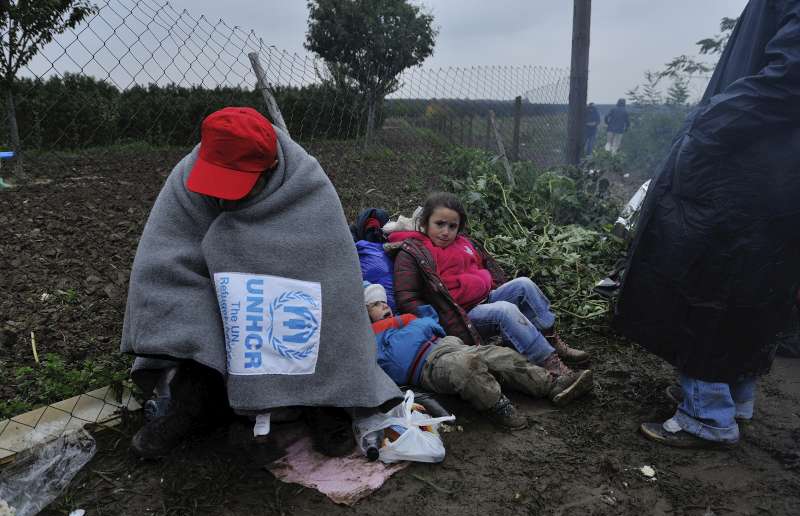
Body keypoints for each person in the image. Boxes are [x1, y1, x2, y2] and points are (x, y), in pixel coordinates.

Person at [121, 107, 401, 458]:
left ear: (269, 168)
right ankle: (193, 407)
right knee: (189, 312)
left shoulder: (307, 186)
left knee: (321, 311)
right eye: (217, 182)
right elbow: (164, 258)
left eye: (235, 185)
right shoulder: (187, 178)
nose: (223, 198)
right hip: (222, 306)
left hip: (288, 308)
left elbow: (334, 278)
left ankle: (323, 406)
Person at [615, 0, 800, 448]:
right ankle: (733, 399)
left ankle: (706, 414)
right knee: (747, 285)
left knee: (707, 282)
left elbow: (791, 75)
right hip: (769, 171)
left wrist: (709, 121)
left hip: (746, 166)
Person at [389, 192, 592, 381]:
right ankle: (552, 367)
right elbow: (407, 297)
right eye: (439, 224)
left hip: (486, 297)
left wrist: (492, 287)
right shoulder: (413, 252)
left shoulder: (465, 244)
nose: (445, 232)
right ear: (425, 223)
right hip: (460, 315)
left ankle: (550, 339)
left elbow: (490, 271)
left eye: (452, 226)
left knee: (523, 284)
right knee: (505, 310)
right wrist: (435, 322)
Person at [364, 282, 593, 430]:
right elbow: (384, 365)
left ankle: (551, 384)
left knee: (500, 356)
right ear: (363, 312)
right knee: (466, 367)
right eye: (375, 304)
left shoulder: (405, 319)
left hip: (447, 345)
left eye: (384, 301)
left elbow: (430, 323)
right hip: (427, 366)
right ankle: (497, 405)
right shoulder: (370, 338)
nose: (384, 305)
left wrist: (431, 330)